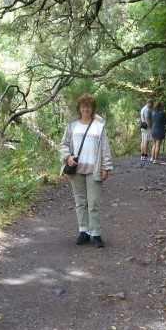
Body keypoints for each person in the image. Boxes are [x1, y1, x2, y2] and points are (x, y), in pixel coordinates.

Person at [59, 94, 113, 248]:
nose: (85, 109)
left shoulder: (99, 125)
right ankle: (84, 231)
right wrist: (67, 157)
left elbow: (105, 148)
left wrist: (106, 167)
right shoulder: (72, 125)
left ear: (92, 108)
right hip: (76, 170)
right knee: (80, 202)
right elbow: (63, 144)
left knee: (94, 202)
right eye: (83, 106)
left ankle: (95, 233)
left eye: (88, 106)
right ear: (79, 108)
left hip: (93, 170)